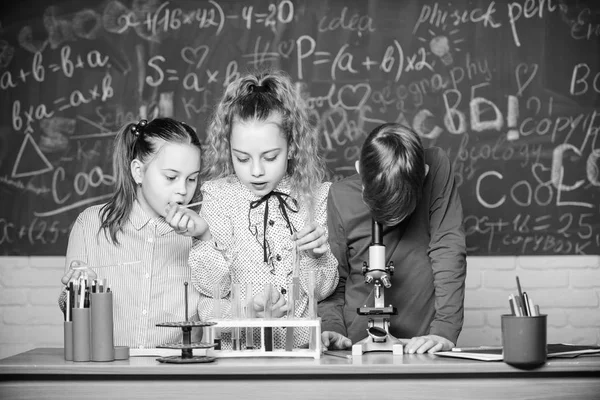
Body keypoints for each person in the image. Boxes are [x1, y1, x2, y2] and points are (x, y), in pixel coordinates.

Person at [165, 70, 339, 349]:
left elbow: (323, 290)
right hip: (237, 351)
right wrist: (205, 237)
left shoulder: (316, 196)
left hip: (301, 355)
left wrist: (316, 256)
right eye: (242, 158)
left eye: (270, 157)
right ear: (228, 148)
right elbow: (212, 288)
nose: (256, 171)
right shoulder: (219, 195)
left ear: (292, 147)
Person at [319, 123, 467, 354]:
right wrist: (332, 327)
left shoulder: (436, 167)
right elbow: (333, 280)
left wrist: (445, 329)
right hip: (355, 344)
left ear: (424, 174)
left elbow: (448, 249)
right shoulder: (339, 196)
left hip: (423, 344)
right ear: (359, 170)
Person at [59, 117, 204, 349]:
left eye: (192, 179)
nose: (183, 190)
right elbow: (73, 316)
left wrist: (205, 240)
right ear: (138, 171)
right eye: (170, 177)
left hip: (176, 375)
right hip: (107, 372)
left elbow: (218, 309)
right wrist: (80, 291)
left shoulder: (200, 232)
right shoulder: (90, 225)